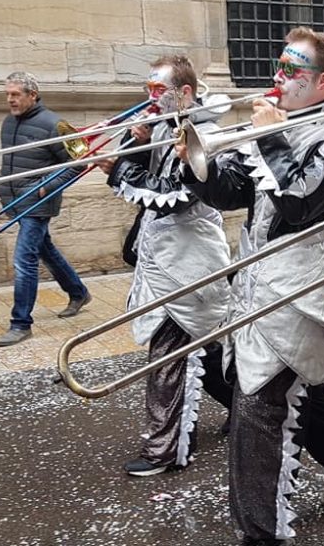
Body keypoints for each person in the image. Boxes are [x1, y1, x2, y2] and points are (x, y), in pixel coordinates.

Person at [178, 26, 324, 545]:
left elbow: (299, 203)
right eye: (280, 65)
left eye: (292, 69)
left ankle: (260, 532)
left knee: (258, 407)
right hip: (257, 281)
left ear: (322, 83)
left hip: (300, 291)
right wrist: (196, 166)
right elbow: (232, 193)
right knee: (292, 386)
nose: (279, 76)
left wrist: (268, 137)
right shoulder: (281, 124)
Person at [95, 55, 235, 476]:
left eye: (159, 90)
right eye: (148, 89)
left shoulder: (206, 134)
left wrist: (120, 168)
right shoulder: (160, 126)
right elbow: (145, 183)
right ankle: (244, 404)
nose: (150, 97)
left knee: (168, 353)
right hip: (163, 256)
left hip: (188, 260)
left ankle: (164, 449)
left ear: (185, 92)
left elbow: (176, 196)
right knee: (201, 348)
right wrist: (134, 144)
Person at [0, 72, 91, 346]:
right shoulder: (8, 123)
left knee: (24, 260)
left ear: (32, 95)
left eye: (15, 94)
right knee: (44, 249)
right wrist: (2, 187)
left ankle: (20, 323)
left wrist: (48, 186)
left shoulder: (56, 124)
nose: (10, 100)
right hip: (15, 200)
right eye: (7, 94)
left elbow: (81, 161)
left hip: (38, 204)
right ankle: (78, 292)